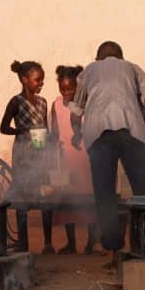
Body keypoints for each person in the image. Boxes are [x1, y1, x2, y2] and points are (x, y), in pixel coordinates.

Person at [69, 41, 145, 261]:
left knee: (104, 194)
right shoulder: (134, 69)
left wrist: (77, 133)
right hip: (132, 132)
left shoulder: (89, 71)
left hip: (98, 136)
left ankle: (112, 249)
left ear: (98, 58)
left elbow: (76, 112)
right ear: (121, 57)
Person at [0, 60, 53, 253]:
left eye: (42, 80)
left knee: (46, 196)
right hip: (23, 156)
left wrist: (49, 137)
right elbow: (3, 127)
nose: (41, 83)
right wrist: (20, 131)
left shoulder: (43, 102)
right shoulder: (16, 102)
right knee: (22, 197)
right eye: (37, 80)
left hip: (40, 154)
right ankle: (23, 243)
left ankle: (48, 243)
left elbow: (44, 126)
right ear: (24, 80)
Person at [49, 65, 99, 255]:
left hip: (86, 157)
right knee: (66, 201)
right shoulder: (56, 104)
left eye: (71, 89)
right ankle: (71, 243)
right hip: (66, 158)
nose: (67, 93)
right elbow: (54, 131)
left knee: (89, 200)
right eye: (63, 89)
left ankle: (91, 243)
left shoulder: (87, 104)